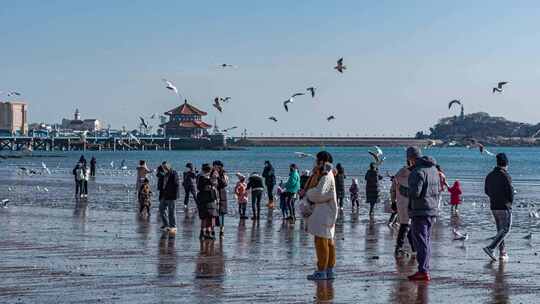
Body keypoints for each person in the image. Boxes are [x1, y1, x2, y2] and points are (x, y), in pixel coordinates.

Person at [406, 147, 440, 281]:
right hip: (432, 210)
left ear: (411, 158)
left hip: (420, 211)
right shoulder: (434, 169)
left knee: (420, 242)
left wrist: (402, 189)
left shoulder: (417, 171)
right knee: (426, 241)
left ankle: (423, 271)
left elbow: (415, 193)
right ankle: (425, 268)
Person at [305, 151, 338, 281]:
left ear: (322, 161)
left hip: (324, 213)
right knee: (328, 240)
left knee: (321, 241)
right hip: (327, 212)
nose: (315, 162)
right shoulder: (328, 174)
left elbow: (320, 193)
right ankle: (329, 270)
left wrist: (308, 193)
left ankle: (322, 270)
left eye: (317, 160)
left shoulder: (326, 175)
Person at [483, 153, 513, 262]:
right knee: (505, 229)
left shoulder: (490, 175)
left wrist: (494, 197)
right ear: (506, 164)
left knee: (500, 230)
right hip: (504, 206)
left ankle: (502, 253)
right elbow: (510, 192)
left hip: (494, 206)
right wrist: (510, 202)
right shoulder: (506, 175)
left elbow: (486, 190)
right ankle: (491, 248)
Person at [392, 161, 416, 256]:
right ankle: (399, 247)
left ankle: (412, 247)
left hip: (400, 203)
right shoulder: (414, 174)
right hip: (411, 203)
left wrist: (393, 201)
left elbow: (393, 188)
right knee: (406, 225)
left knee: (406, 225)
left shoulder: (399, 173)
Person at [196, 164, 219, 240]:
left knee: (210, 217)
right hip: (205, 199)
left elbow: (215, 185)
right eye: (209, 170)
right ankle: (204, 233)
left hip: (209, 199)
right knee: (206, 217)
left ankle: (208, 233)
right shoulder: (202, 177)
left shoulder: (207, 177)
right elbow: (201, 186)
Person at [159, 163, 180, 232]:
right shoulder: (163, 174)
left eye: (164, 167)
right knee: (161, 209)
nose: (163, 169)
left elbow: (177, 184)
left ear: (168, 167)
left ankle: (173, 226)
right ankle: (166, 224)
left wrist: (175, 195)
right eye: (163, 167)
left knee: (171, 211)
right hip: (164, 194)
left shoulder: (174, 173)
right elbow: (161, 184)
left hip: (171, 196)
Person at [213, 161, 229, 238]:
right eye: (214, 166)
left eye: (217, 166)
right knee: (213, 213)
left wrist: (218, 177)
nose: (215, 168)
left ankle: (221, 231)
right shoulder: (211, 172)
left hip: (222, 195)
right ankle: (212, 230)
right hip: (213, 195)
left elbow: (225, 184)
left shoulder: (223, 174)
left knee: (221, 213)